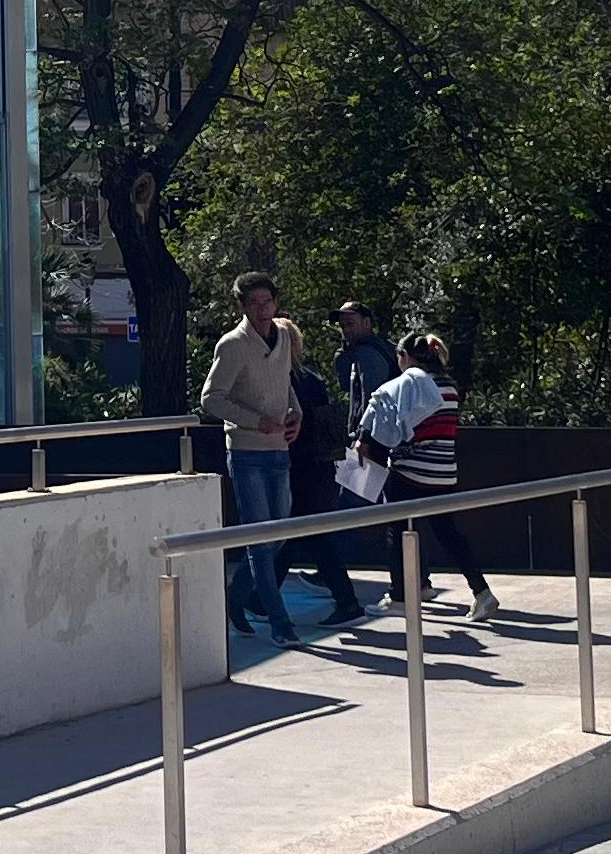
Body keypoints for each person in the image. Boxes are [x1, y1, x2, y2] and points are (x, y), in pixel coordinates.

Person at [356, 332, 499, 619]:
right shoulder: (449, 387)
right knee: (448, 534)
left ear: (405, 357)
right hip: (444, 472)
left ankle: (400, 596)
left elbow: (404, 431)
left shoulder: (413, 386)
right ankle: (480, 591)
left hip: (411, 472)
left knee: (397, 532)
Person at [196, 272, 304, 644]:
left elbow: (285, 383)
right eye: (253, 303)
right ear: (241, 306)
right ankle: (280, 622)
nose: (261, 310)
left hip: (280, 450)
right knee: (261, 538)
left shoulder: (285, 336)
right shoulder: (232, 345)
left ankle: (234, 596)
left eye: (267, 302)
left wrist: (296, 415)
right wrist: (256, 422)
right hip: (246, 452)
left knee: (279, 534)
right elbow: (211, 399)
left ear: (275, 303)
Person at [278, 309, 374, 628]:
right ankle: (256, 600)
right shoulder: (312, 379)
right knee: (295, 534)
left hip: (296, 465)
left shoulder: (284, 381)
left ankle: (346, 601)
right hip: (319, 465)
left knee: (304, 535)